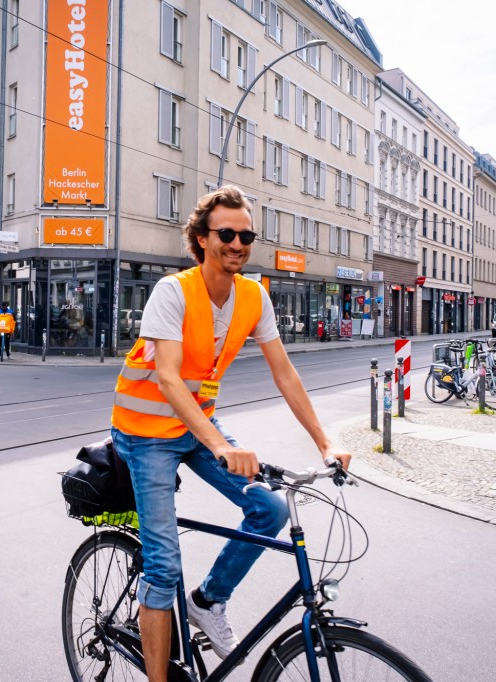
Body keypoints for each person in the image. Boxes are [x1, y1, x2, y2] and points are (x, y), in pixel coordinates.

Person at [110, 186, 352, 680]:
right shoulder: (172, 292)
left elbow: (284, 373)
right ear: (201, 239)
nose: (237, 243)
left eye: (246, 235)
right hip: (145, 433)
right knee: (162, 569)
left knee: (270, 508)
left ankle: (207, 601)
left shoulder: (252, 296)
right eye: (226, 234)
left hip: (196, 427)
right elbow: (169, 377)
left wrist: (325, 441)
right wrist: (221, 445)